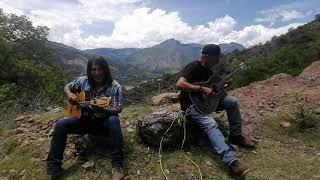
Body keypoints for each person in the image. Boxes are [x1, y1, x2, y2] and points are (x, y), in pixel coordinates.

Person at [176, 44, 255, 177]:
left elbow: (214, 93)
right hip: (191, 105)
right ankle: (232, 161)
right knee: (210, 123)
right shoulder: (194, 66)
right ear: (206, 56)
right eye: (216, 57)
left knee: (232, 102)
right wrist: (200, 89)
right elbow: (179, 84)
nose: (218, 60)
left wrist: (223, 86)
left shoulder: (209, 72)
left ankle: (236, 136)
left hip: (207, 104)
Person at [46, 56, 129, 180]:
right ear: (89, 71)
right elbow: (67, 87)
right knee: (60, 124)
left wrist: (103, 109)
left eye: (100, 69)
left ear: (106, 70)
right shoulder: (82, 81)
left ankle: (117, 166)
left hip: (103, 124)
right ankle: (54, 168)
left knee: (114, 120)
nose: (97, 73)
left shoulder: (114, 86)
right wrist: (70, 95)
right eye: (93, 69)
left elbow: (118, 108)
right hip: (84, 121)